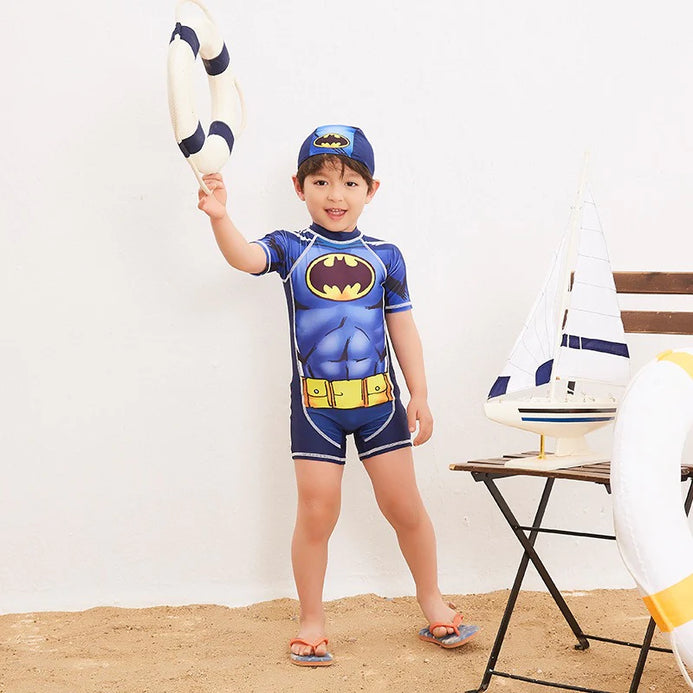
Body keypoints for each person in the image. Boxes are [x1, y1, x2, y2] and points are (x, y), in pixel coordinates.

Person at [197, 124, 478, 666]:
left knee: (405, 507)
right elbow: (245, 258)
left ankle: (434, 603)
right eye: (321, 182)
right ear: (299, 187)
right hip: (315, 408)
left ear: (371, 190)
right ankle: (312, 621)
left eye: (350, 183)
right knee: (316, 513)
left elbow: (402, 328)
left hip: (380, 404)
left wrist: (419, 393)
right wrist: (220, 217)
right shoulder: (290, 248)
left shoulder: (386, 256)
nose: (335, 195)